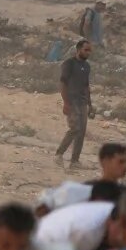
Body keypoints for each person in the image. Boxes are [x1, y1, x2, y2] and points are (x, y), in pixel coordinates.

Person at [57, 39, 93, 167]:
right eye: (86, 50)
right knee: (75, 128)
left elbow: (86, 86)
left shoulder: (87, 66)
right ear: (78, 50)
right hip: (72, 101)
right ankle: (59, 154)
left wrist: (90, 104)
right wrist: (66, 103)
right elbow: (62, 83)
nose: (88, 53)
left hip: (82, 102)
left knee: (81, 131)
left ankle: (74, 161)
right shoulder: (69, 64)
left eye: (90, 50)